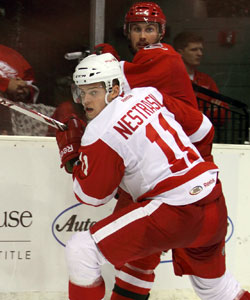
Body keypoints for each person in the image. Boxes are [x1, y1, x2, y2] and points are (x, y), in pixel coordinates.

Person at [55, 53, 250, 300]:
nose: (85, 100)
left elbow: (92, 196)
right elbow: (203, 128)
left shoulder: (98, 132)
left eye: (93, 91)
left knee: (80, 250)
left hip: (175, 212)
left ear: (114, 88)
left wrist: (73, 157)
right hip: (213, 200)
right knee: (220, 291)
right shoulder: (148, 94)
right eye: (81, 93)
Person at [173, 31, 230, 125]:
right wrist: (210, 111)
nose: (200, 53)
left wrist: (198, 114)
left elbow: (224, 114)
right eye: (194, 50)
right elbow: (176, 116)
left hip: (203, 135)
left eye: (201, 49)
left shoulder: (206, 80)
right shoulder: (170, 79)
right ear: (180, 53)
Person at [0, 44, 39, 134]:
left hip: (15, 113)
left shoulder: (11, 54)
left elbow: (30, 86)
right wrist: (5, 85)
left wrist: (24, 90)